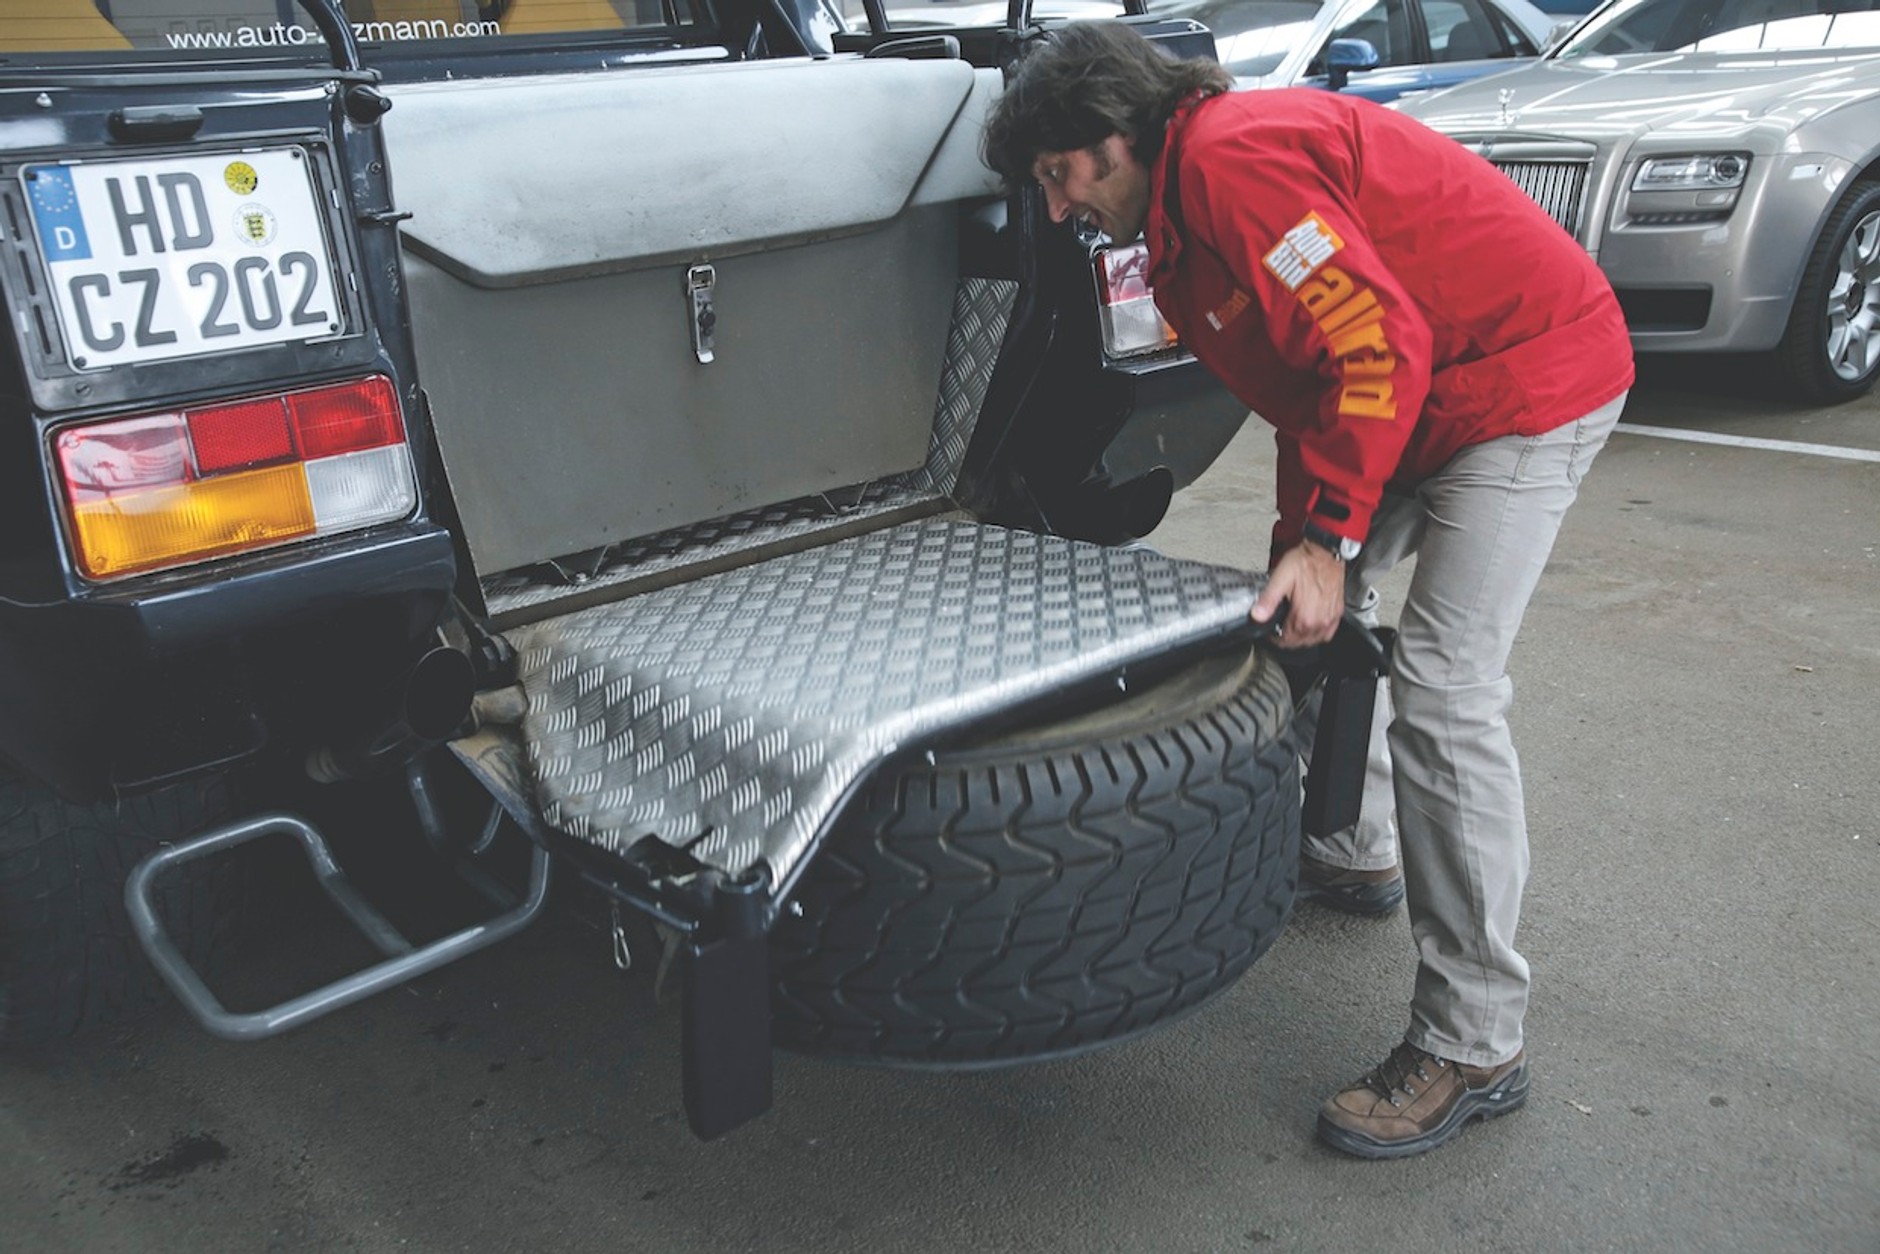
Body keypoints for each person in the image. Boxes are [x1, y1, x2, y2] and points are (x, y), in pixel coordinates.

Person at [983, 22, 1634, 1159]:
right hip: (1424, 386)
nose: (1054, 209)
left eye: (1055, 176)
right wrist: (1307, 550)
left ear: (1108, 135)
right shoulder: (1183, 211)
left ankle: (1475, 1039)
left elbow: (1372, 338)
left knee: (1443, 688)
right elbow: (1315, 385)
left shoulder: (1230, 161)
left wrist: (1332, 536)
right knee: (1303, 610)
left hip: (1521, 380)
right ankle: (1354, 845)